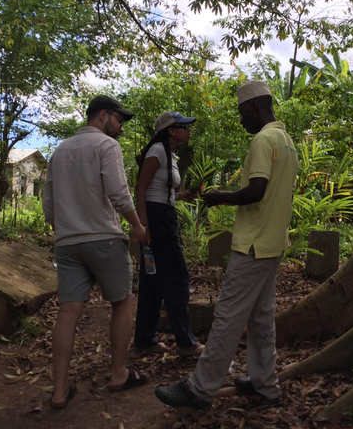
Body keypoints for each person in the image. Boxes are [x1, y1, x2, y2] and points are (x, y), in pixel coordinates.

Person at [154, 80, 298, 409]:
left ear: (256, 109)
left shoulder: (264, 140)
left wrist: (220, 197)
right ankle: (265, 384)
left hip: (253, 244)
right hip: (273, 243)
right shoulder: (286, 141)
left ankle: (199, 389)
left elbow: (256, 191)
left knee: (228, 316)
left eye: (242, 113)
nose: (241, 120)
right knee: (261, 318)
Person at [42, 95, 149, 409]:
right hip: (103, 238)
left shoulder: (59, 151)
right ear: (103, 115)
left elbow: (49, 205)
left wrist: (64, 228)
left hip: (67, 242)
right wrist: (137, 227)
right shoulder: (106, 146)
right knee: (121, 303)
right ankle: (118, 373)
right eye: (119, 120)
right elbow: (118, 192)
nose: (121, 128)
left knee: (68, 311)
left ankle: (59, 391)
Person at [134, 111, 205, 357]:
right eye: (183, 125)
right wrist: (143, 225)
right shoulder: (156, 151)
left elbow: (158, 189)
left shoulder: (169, 154)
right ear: (171, 130)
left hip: (163, 215)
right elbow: (141, 188)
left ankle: (144, 339)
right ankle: (186, 342)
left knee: (153, 279)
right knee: (178, 278)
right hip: (157, 219)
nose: (188, 129)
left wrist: (180, 196)